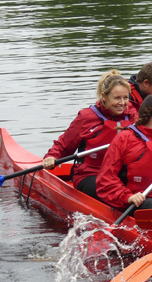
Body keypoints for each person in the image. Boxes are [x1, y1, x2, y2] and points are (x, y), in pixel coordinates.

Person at [42, 70, 137, 199]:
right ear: (104, 96)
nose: (122, 103)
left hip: (119, 174)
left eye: (125, 98)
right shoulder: (87, 117)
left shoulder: (133, 114)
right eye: (117, 98)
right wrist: (52, 157)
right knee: (111, 190)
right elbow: (65, 145)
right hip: (91, 174)